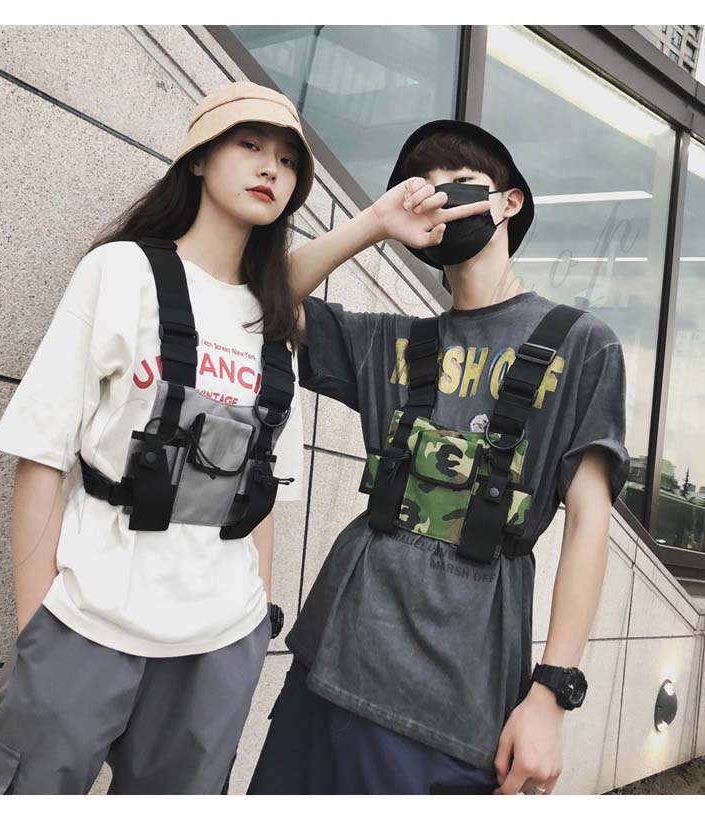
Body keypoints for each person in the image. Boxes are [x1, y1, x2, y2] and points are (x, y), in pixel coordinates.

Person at [248, 120, 630, 795]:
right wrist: (374, 222)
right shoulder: (392, 342)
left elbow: (588, 520)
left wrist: (550, 695)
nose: (440, 198)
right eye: (422, 187)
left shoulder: (581, 344)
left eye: (460, 183)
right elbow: (261, 301)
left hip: (455, 700)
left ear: (509, 202)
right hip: (328, 662)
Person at [0, 80, 315, 795]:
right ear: (198, 160)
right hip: (87, 620)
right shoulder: (121, 271)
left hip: (220, 641)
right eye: (250, 145)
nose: (270, 168)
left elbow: (264, 491)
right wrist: (36, 625)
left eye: (287, 160)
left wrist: (257, 623)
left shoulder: (275, 319)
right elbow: (43, 450)